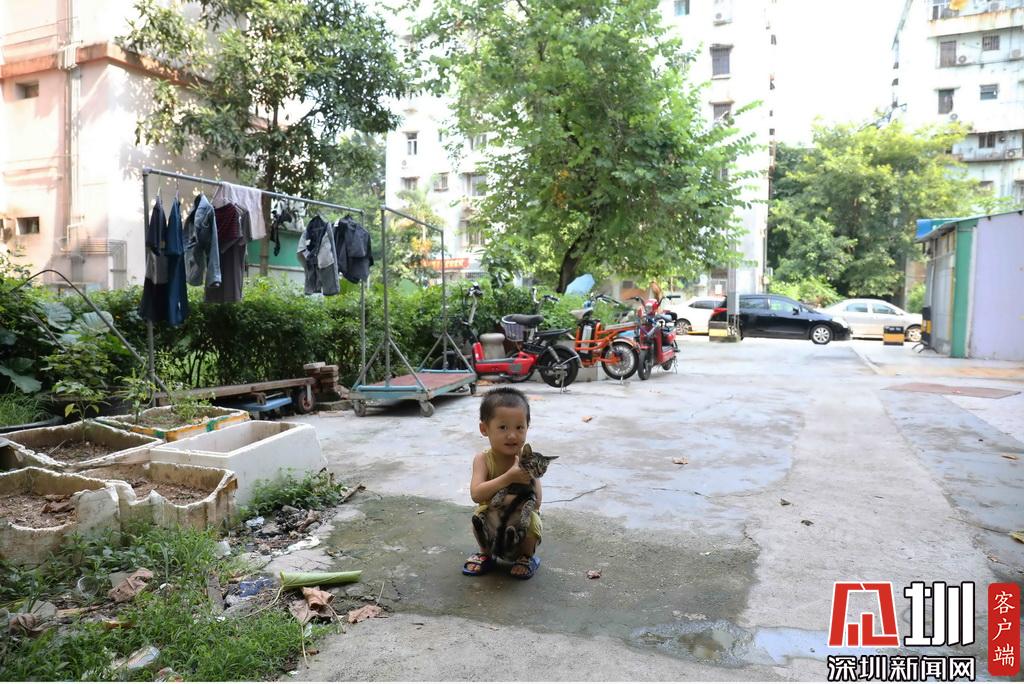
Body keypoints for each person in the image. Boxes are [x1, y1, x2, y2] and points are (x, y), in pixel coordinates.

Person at [462, 387, 543, 579]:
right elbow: (476, 495)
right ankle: (486, 554)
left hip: (519, 519)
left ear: (528, 427)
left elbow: (537, 502)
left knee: (532, 520)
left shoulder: (528, 460)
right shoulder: (482, 460)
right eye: (503, 427)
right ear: (484, 429)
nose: (512, 435)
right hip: (493, 517)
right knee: (479, 516)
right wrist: (508, 478)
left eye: (519, 427)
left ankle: (525, 557)